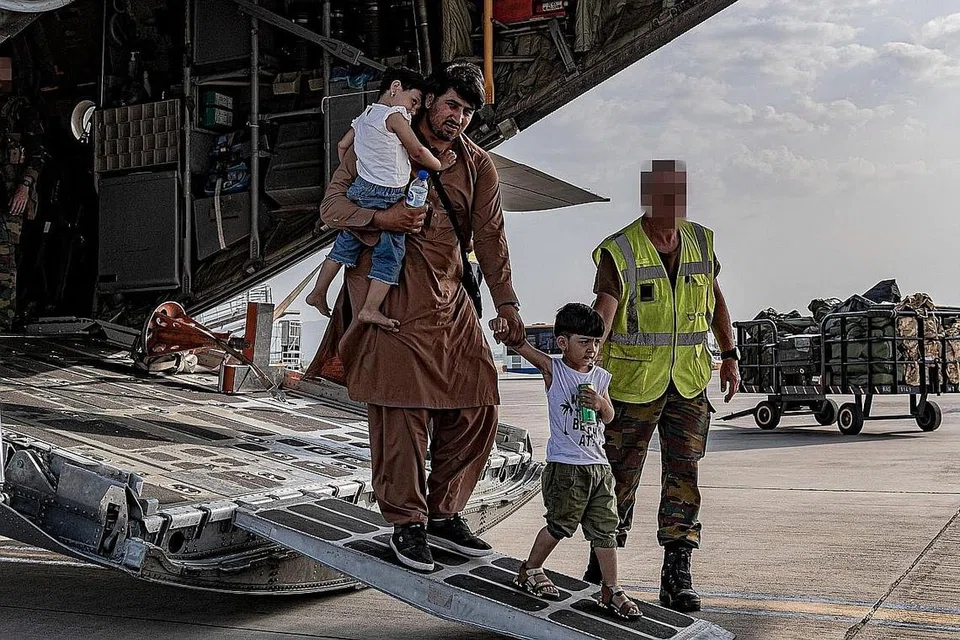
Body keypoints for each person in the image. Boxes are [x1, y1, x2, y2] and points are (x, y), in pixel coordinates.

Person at [306, 61, 526, 572]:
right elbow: (331, 209)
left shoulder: (478, 167)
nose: (459, 118)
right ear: (428, 100)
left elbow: (491, 239)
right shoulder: (379, 139)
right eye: (452, 104)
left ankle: (444, 514)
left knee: (479, 399)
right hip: (387, 301)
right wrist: (382, 218)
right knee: (400, 411)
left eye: (468, 112)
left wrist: (508, 303)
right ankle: (407, 523)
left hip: (449, 302)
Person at [583, 159, 739, 613]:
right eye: (663, 196)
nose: (672, 205)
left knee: (684, 476)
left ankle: (677, 571)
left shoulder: (700, 242)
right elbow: (605, 311)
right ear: (648, 198)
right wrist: (588, 369)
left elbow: (715, 301)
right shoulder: (621, 250)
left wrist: (729, 355)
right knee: (616, 480)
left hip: (688, 382)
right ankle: (602, 567)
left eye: (678, 195)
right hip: (631, 386)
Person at [490, 303, 642, 621]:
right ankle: (530, 569)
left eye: (596, 342)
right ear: (563, 343)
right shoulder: (554, 371)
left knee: (606, 531)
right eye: (584, 342)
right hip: (566, 466)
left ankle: (610, 589)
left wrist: (601, 404)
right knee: (560, 525)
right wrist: (506, 330)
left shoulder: (600, 377)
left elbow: (610, 416)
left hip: (598, 468)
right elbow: (522, 346)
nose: (592, 349)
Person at [305, 66, 456, 330]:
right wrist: (440, 164)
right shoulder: (395, 116)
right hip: (388, 195)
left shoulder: (363, 117)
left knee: (344, 244)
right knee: (390, 255)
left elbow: (343, 146)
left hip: (362, 189)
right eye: (413, 102)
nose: (412, 110)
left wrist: (364, 170)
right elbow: (418, 152)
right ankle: (371, 308)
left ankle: (318, 291)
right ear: (395, 87)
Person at [0, 56, 44, 332]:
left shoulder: (20, 109)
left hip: (9, 196)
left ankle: (3, 319)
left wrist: (24, 186)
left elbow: (39, 154)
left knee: (4, 262)